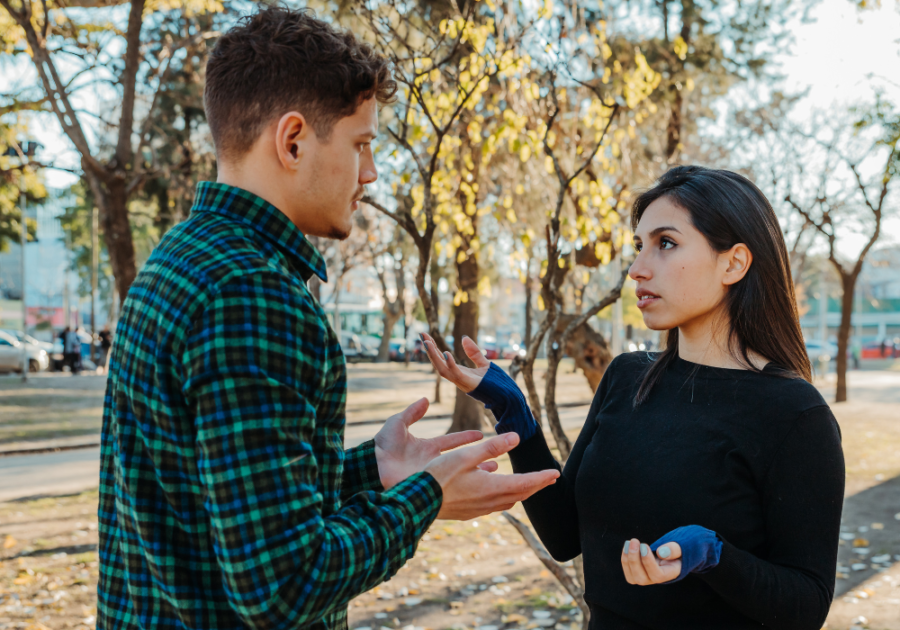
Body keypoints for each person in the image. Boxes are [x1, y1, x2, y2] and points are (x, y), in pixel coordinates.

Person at [97, 7, 559, 630]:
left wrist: (372, 471)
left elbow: (224, 500)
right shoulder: (252, 293)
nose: (369, 174)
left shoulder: (181, 258)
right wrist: (426, 499)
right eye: (361, 146)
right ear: (292, 141)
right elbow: (282, 586)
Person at [423, 166, 845, 630]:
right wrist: (514, 413)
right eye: (639, 246)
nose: (637, 268)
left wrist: (713, 556)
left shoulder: (794, 414)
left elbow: (807, 604)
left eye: (666, 243)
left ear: (734, 263)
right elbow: (565, 536)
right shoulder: (627, 377)